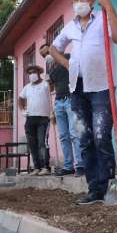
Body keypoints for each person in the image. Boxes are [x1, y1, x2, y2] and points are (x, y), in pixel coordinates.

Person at [49, 0, 117, 205]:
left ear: (92, 1)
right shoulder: (69, 28)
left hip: (102, 86)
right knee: (84, 139)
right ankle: (94, 189)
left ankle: (109, 184)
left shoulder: (103, 18)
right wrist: (67, 63)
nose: (79, 2)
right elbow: (53, 48)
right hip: (78, 89)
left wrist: (109, 7)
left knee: (101, 136)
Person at [40, 44, 83, 177]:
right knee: (63, 136)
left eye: (47, 52)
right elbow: (52, 89)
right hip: (59, 102)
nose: (46, 56)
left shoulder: (69, 58)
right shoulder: (51, 71)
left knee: (75, 133)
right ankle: (68, 166)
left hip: (71, 99)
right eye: (43, 55)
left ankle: (81, 165)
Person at [18, 65, 51, 176]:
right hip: (30, 118)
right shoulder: (27, 87)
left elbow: (53, 89)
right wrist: (22, 110)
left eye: (34, 72)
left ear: (38, 73)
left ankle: (45, 167)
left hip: (43, 118)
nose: (32, 74)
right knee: (32, 144)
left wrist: (50, 80)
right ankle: (36, 167)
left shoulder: (45, 84)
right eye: (30, 73)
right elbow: (20, 98)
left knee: (42, 142)